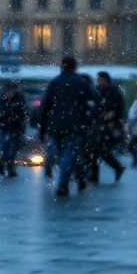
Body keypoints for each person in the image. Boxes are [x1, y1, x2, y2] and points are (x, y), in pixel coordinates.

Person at [40, 55, 96, 196]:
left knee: (65, 153)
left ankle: (78, 178)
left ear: (62, 66)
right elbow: (93, 103)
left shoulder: (55, 83)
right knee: (70, 153)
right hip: (74, 124)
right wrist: (87, 118)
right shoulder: (81, 83)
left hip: (56, 125)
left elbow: (45, 106)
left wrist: (43, 128)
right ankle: (65, 184)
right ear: (75, 67)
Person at [87, 72, 126, 184]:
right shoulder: (98, 91)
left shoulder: (113, 91)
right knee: (96, 150)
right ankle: (97, 175)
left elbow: (119, 108)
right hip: (100, 124)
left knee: (100, 150)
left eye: (101, 79)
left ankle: (114, 168)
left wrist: (112, 115)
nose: (99, 81)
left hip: (109, 126)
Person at [0, 80, 28, 177]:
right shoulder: (16, 98)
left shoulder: (5, 98)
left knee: (10, 148)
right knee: (9, 148)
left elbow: (23, 112)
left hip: (12, 126)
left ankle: (4, 166)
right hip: (9, 126)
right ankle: (7, 167)